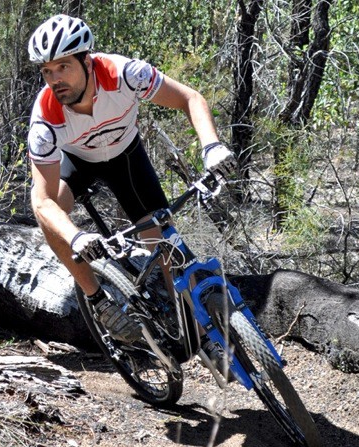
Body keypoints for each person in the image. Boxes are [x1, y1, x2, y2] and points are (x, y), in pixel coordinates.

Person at [26, 15, 235, 353]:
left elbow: (190, 98)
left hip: (126, 157)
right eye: (47, 72)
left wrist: (212, 146)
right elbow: (43, 201)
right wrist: (76, 236)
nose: (55, 80)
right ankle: (97, 299)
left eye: (63, 67)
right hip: (76, 162)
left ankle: (204, 336)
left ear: (86, 60)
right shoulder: (45, 121)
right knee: (50, 215)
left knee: (166, 248)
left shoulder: (125, 74)